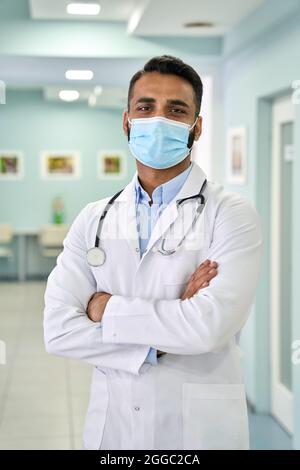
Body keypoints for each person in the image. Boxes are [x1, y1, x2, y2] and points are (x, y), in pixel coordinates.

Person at [43, 55, 263, 450]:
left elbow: (209, 327)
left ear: (196, 128)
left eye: (176, 110)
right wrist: (162, 336)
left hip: (199, 429)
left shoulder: (231, 214)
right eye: (146, 107)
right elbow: (59, 331)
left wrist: (104, 309)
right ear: (127, 121)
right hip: (115, 427)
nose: (158, 119)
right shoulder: (93, 218)